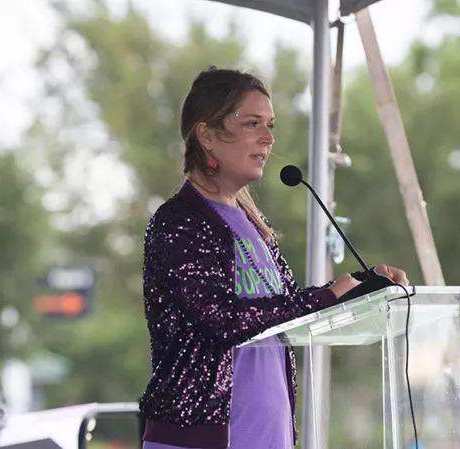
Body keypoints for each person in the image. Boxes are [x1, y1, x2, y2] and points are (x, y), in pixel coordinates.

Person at [138, 66, 408, 449]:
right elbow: (223, 319)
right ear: (208, 136)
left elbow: (283, 311)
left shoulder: (253, 223)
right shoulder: (179, 224)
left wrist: (358, 287)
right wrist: (324, 296)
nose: (268, 138)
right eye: (252, 123)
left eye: (270, 125)